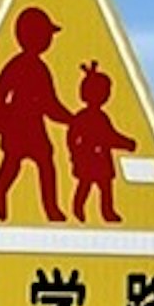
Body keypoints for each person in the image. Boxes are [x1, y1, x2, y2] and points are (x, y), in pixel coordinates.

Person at [0, 6, 76, 221]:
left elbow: (50, 104)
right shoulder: (19, 66)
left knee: (44, 162)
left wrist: (71, 119)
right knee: (15, 163)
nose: (48, 40)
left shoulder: (39, 68)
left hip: (33, 127)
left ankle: (51, 208)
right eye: (46, 35)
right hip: (18, 126)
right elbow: (1, 93)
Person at [64, 62, 135, 228]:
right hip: (89, 160)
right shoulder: (85, 118)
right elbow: (106, 137)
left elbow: (110, 136)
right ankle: (78, 209)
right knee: (85, 186)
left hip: (101, 160)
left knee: (105, 188)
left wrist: (126, 143)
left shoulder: (101, 117)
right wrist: (75, 155)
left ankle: (107, 212)